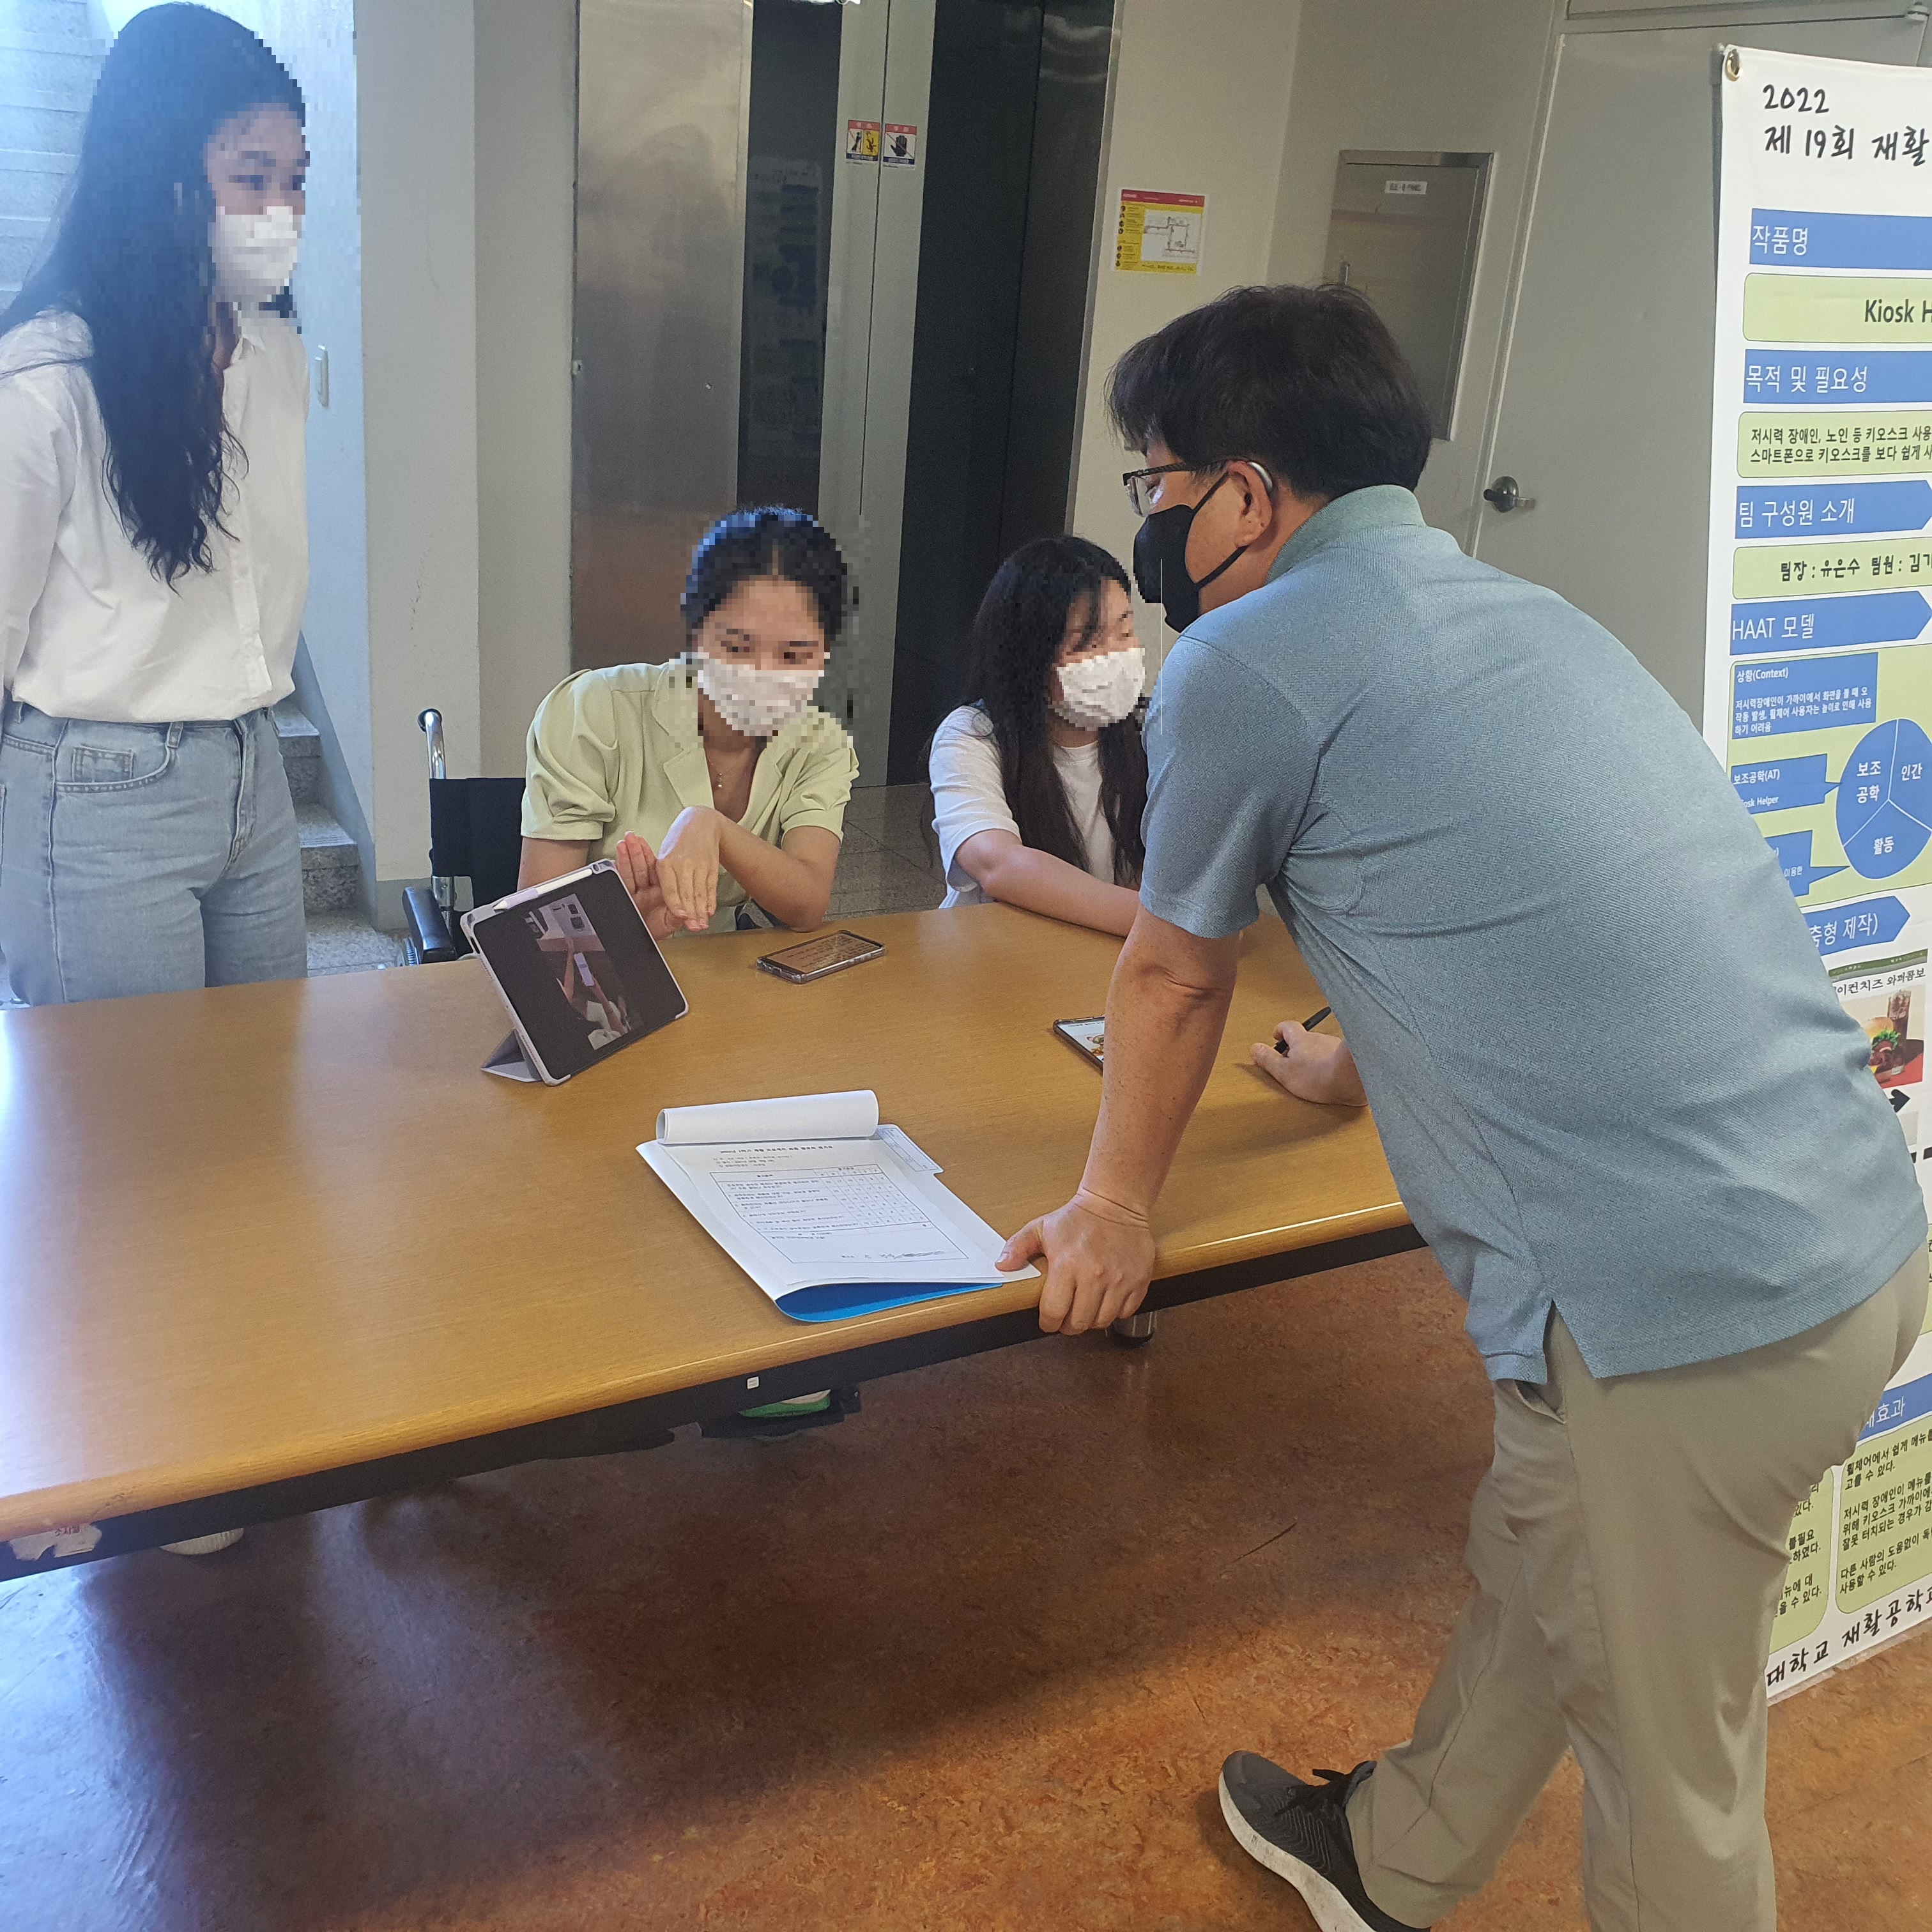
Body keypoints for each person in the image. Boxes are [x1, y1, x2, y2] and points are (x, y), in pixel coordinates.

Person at [996, 284, 1928, 1932]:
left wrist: (1114, 1210)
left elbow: (1174, 974)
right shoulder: (1522, 615)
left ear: (1244, 496)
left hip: (1680, 1314)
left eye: (1158, 484)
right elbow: (1483, 899)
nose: (1149, 520)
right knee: (1543, 1548)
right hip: (1849, 1234)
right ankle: (1398, 1856)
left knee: (1672, 1774)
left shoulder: (1251, 657)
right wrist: (1355, 1062)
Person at [0, 6, 311, 1013]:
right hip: (100, 790)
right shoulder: (47, 376)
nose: (283, 210)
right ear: (163, 178)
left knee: (268, 1085)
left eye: (295, 179)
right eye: (252, 177)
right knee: (128, 1106)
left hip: (252, 768)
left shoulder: (271, 349)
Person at [520, 506, 859, 939]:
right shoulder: (595, 709)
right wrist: (625, 927)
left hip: (713, 965)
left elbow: (808, 905)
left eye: (794, 655)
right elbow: (540, 925)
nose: (762, 677)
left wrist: (713, 827)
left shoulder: (819, 742)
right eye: (736, 648)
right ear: (696, 632)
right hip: (588, 964)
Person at [928, 534, 1146, 935]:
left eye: (1125, 631)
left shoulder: (1146, 733)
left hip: (1106, 948)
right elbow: (998, 864)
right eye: (1089, 642)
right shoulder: (973, 735)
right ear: (1028, 655)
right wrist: (1167, 927)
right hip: (994, 951)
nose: (1116, 656)